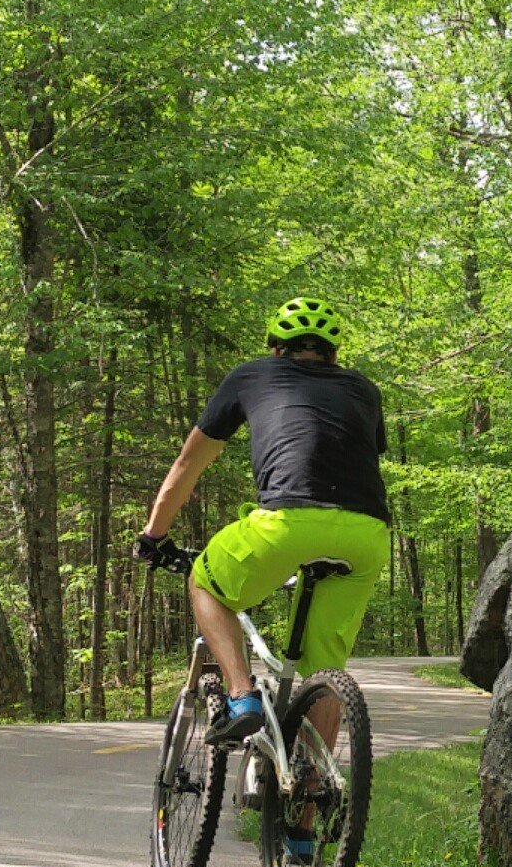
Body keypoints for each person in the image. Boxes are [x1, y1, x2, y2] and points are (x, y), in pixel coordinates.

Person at [133, 299, 396, 767]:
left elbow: (187, 466)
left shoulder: (250, 376)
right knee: (325, 673)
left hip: (287, 523)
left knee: (206, 584)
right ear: (333, 355)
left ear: (276, 350)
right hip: (368, 533)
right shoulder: (364, 389)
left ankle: (241, 697)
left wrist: (154, 535)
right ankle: (305, 821)